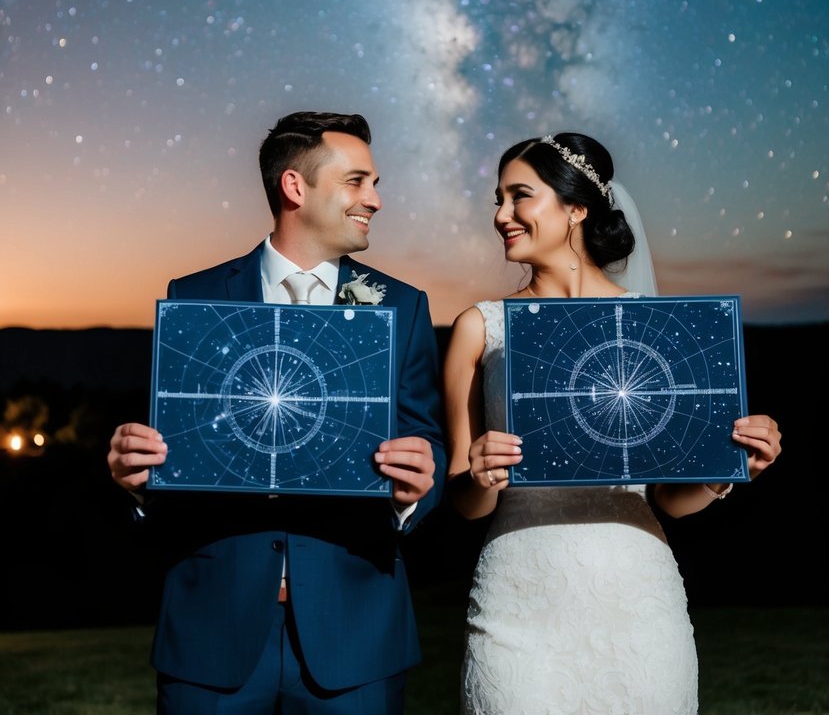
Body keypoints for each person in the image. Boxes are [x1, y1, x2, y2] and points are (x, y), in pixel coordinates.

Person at [108, 110, 445, 715]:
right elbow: (174, 442)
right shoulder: (194, 297)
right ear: (296, 187)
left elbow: (428, 439)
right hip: (214, 633)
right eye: (358, 181)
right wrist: (138, 481)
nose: (375, 199)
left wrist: (419, 485)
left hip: (355, 636)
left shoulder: (403, 306)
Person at [443, 131, 782, 715]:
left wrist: (725, 469)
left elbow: (671, 501)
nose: (501, 215)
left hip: (637, 598)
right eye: (496, 199)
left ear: (576, 208)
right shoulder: (480, 329)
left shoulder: (659, 328)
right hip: (521, 596)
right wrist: (477, 475)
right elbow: (466, 505)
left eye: (519, 196)